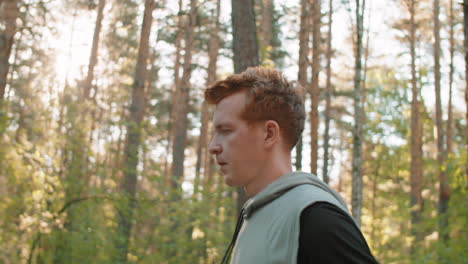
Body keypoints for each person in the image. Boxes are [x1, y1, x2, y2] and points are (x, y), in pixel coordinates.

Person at [205, 66, 378, 264]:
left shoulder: (315, 218)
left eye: (226, 130)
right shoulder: (255, 216)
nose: (213, 147)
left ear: (269, 133)